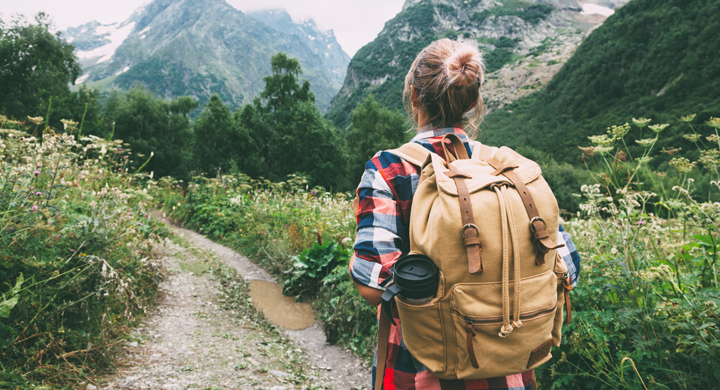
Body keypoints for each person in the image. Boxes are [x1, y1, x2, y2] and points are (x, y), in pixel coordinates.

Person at [348, 38, 581, 390]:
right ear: (473, 102)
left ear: (414, 96)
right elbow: (568, 268)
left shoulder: (390, 170)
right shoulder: (507, 170)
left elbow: (370, 283)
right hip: (511, 371)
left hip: (421, 370)